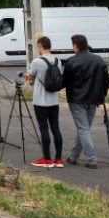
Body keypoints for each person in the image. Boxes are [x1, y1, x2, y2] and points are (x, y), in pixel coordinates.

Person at [61, 34, 109, 169]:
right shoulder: (99, 60)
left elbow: (64, 82)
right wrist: (102, 96)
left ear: (76, 46)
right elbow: (106, 81)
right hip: (94, 99)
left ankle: (92, 159)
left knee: (83, 129)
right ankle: (73, 156)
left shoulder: (71, 62)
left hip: (76, 99)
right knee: (84, 129)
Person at [22, 35, 63, 168]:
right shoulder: (58, 61)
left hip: (40, 100)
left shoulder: (37, 62)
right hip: (54, 100)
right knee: (55, 128)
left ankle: (47, 158)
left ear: (40, 46)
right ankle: (58, 159)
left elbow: (31, 79)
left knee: (44, 128)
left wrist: (27, 78)